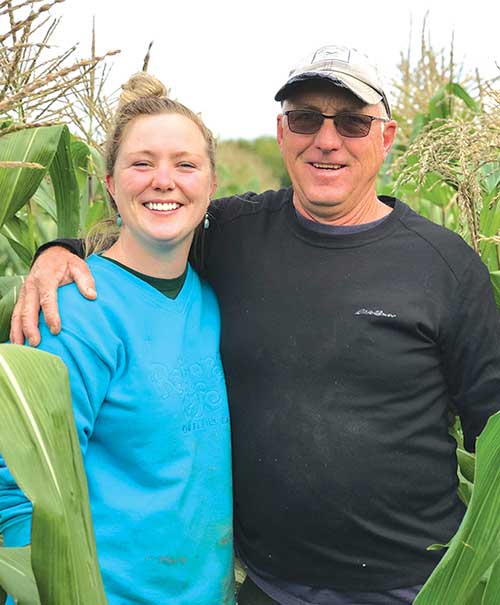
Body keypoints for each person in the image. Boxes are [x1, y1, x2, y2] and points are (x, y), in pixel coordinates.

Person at [9, 45, 500, 605]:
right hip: (264, 585)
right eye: (306, 119)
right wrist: (57, 252)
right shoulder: (234, 235)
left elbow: (493, 427)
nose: (327, 139)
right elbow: (148, 234)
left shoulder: (445, 264)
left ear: (385, 138)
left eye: (354, 121)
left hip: (410, 586)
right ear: (282, 132)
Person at [0, 73, 235, 605]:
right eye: (141, 163)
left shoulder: (213, 296)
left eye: (185, 164)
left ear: (212, 184)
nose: (164, 180)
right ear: (110, 182)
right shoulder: (75, 312)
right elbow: (18, 490)